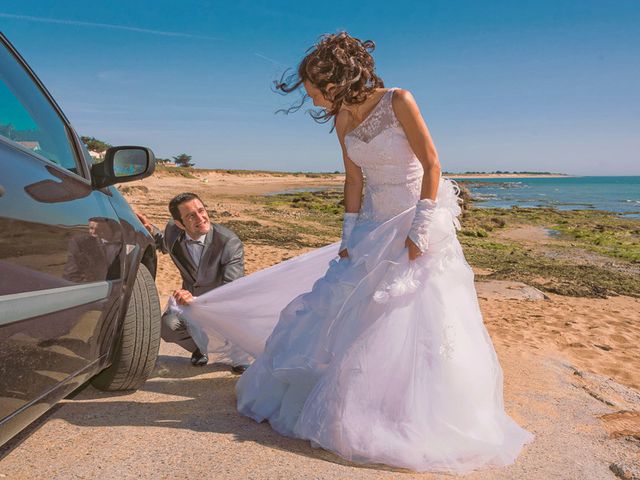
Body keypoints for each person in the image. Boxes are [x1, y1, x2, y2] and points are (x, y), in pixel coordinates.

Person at [176, 32, 533, 473]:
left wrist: (421, 227)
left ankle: (410, 411)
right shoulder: (343, 118)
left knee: (411, 313)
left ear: (335, 77)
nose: (313, 101)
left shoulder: (400, 100)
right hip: (371, 225)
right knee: (347, 309)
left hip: (415, 217)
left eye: (314, 91)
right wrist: (348, 236)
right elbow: (354, 181)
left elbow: (432, 164)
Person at [136, 192, 249, 373]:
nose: (200, 218)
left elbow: (232, 289)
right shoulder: (173, 231)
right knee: (167, 326)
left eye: (201, 210)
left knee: (237, 320)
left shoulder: (228, 242)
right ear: (180, 224)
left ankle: (238, 352)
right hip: (190, 303)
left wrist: (196, 301)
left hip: (226, 306)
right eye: (190, 216)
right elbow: (163, 243)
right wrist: (149, 230)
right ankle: (200, 347)